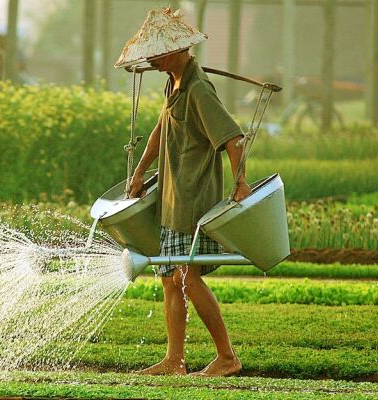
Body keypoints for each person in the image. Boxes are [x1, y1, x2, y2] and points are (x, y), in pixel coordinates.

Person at [115, 7, 252, 377]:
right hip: (172, 199)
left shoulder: (198, 88)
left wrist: (240, 183)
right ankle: (174, 360)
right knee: (168, 279)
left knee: (187, 278)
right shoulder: (173, 83)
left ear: (177, 49)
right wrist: (141, 171)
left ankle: (227, 357)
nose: (153, 60)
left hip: (194, 199)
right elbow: (161, 129)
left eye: (158, 53)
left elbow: (233, 138)